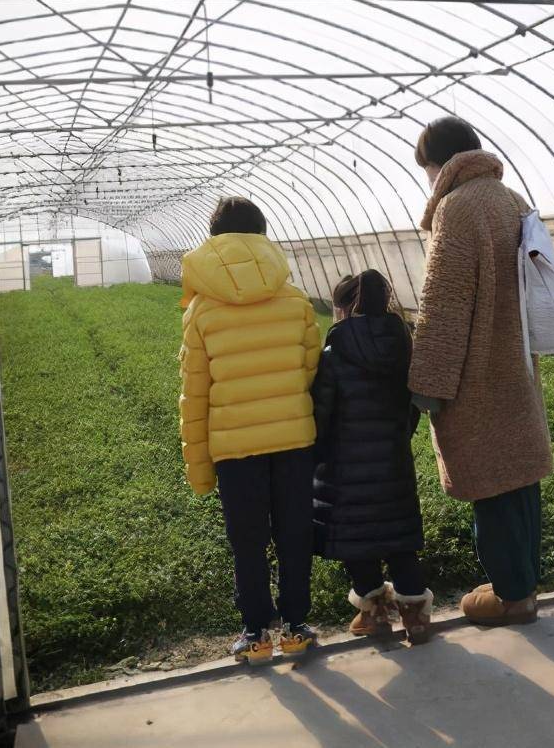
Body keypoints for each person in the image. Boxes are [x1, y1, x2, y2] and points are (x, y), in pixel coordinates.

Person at [409, 116, 553, 627]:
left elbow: (443, 304)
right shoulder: (511, 199)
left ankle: (514, 598)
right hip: (516, 362)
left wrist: (427, 385)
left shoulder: (456, 207)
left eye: (426, 168)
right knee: (519, 479)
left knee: (490, 484)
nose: (427, 179)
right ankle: (522, 585)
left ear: (438, 164)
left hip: (479, 372)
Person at [178, 196, 321, 665]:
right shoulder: (296, 300)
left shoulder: (200, 310)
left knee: (248, 538)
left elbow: (195, 394)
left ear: (215, 240)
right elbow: (310, 372)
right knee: (295, 532)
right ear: (262, 235)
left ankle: (256, 634)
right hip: (294, 440)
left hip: (235, 448)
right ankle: (297, 627)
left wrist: (199, 468)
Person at [312, 271, 433, 645]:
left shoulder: (333, 355)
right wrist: (395, 440)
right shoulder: (403, 347)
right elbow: (412, 406)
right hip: (393, 464)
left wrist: (318, 456)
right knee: (400, 541)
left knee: (358, 542)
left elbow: (320, 415)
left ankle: (374, 614)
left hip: (345, 470)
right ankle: (416, 617)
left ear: (344, 308)